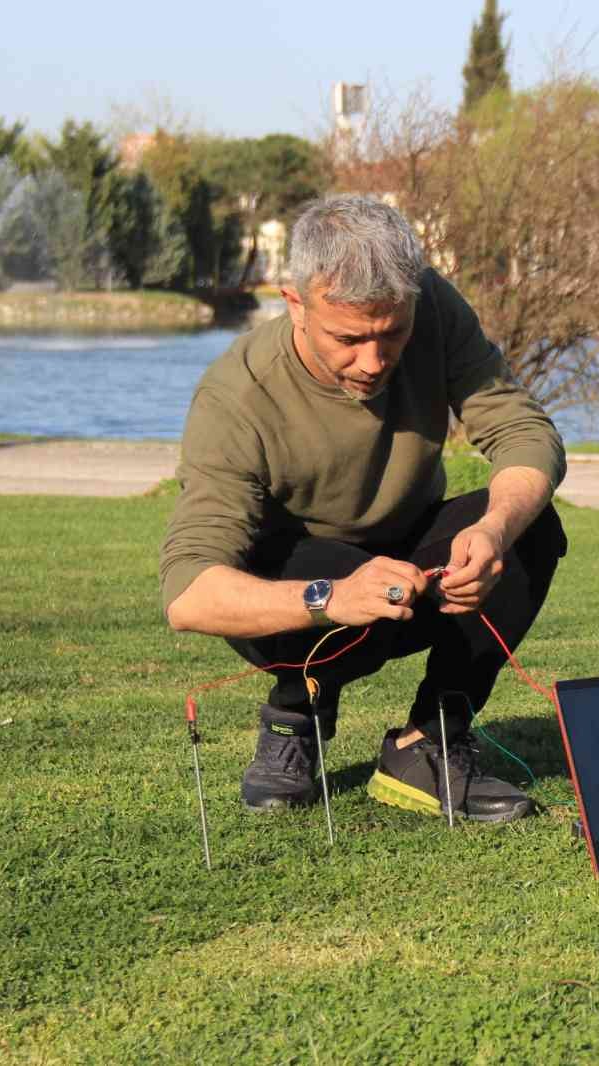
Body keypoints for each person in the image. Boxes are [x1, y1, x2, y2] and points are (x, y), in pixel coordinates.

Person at [160, 195, 567, 823]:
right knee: (303, 572)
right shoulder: (234, 396)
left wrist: (493, 529)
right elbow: (188, 595)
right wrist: (331, 599)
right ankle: (296, 712)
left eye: (392, 334)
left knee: (529, 525)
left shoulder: (432, 305)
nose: (373, 362)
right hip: (301, 575)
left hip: (410, 549)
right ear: (295, 303)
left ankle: (429, 743)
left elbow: (523, 431)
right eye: (347, 339)